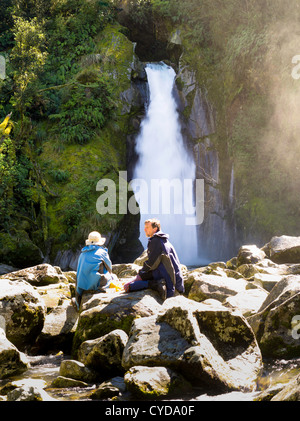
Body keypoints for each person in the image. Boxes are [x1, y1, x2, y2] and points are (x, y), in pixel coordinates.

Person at [124, 219, 184, 300]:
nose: (144, 229)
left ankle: (155, 284)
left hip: (167, 278)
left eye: (147, 227)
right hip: (174, 279)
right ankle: (153, 283)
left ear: (155, 229)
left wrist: (141, 273)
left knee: (129, 286)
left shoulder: (156, 241)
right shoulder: (163, 240)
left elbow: (151, 263)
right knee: (141, 276)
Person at [72, 231, 114, 310]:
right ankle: (100, 288)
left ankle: (78, 301)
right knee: (111, 276)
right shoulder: (102, 252)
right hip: (95, 285)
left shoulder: (82, 253)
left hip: (82, 286)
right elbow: (109, 267)